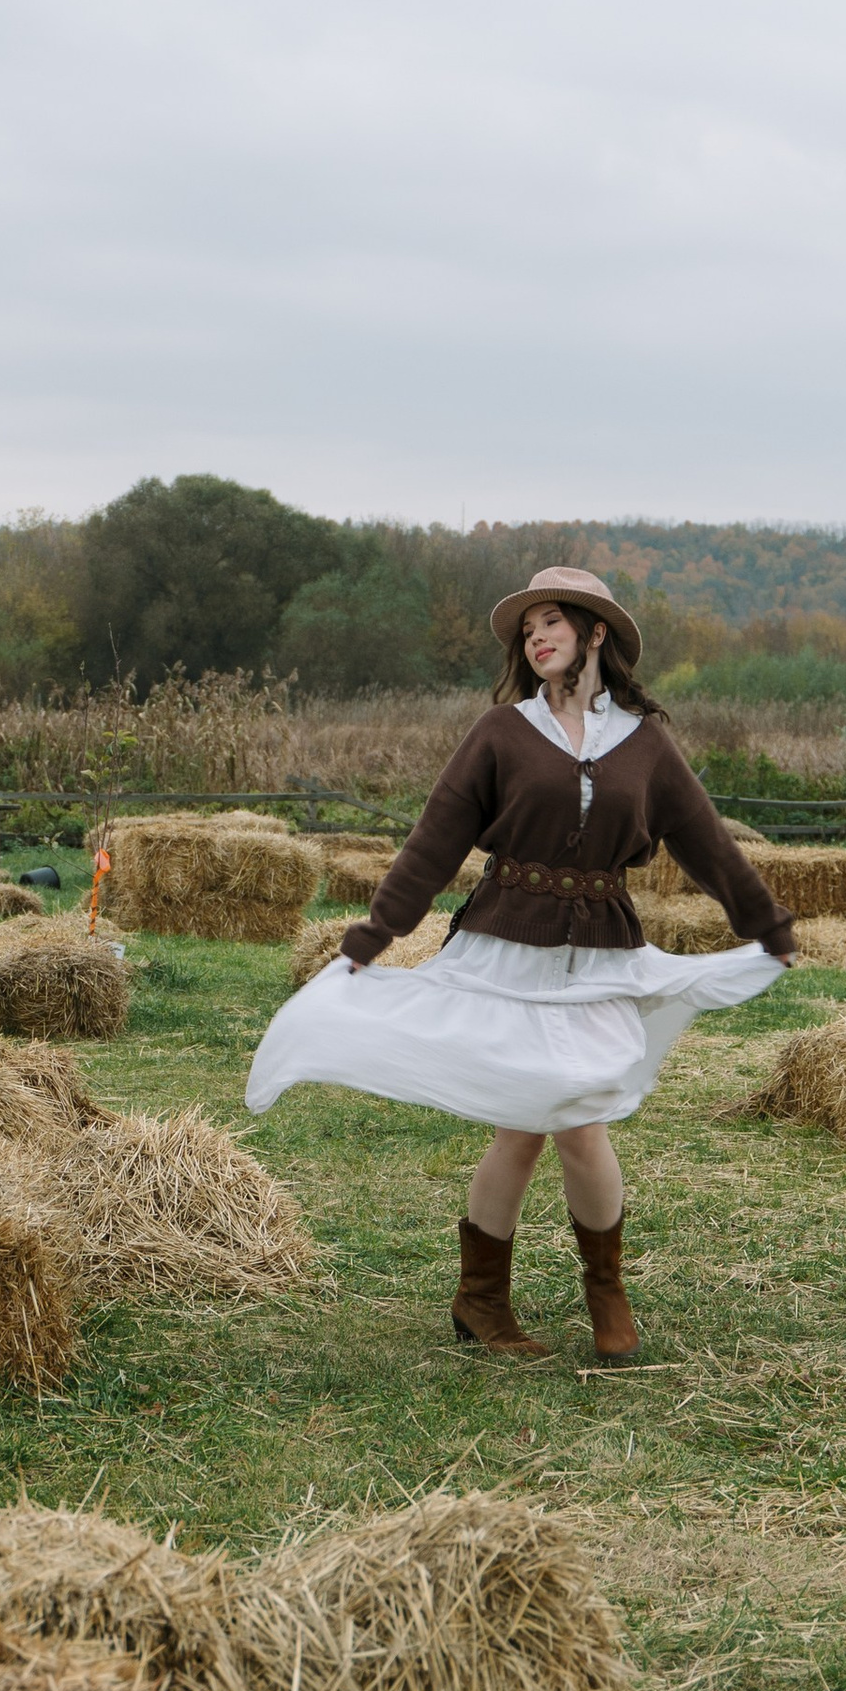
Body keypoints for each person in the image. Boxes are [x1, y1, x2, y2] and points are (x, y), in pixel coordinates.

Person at [244, 565, 796, 1364]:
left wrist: (765, 923)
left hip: (600, 954)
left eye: (552, 622)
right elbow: (434, 842)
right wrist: (376, 933)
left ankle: (601, 1288)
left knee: (577, 1119)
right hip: (506, 950)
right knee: (527, 1131)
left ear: (594, 632)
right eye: (528, 628)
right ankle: (483, 1302)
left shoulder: (644, 745)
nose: (536, 637)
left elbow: (707, 843)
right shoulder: (500, 733)